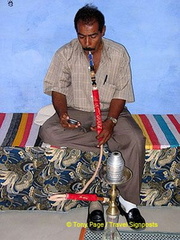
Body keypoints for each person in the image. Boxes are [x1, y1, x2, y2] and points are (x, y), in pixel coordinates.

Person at [39, 4, 146, 230]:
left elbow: (121, 93)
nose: (87, 42)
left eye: (93, 36)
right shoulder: (65, 53)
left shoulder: (118, 53)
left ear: (103, 31)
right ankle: (107, 141)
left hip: (111, 111)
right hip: (77, 110)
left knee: (135, 139)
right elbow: (57, 89)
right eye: (82, 36)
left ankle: (129, 203)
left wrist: (112, 122)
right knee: (48, 132)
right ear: (77, 33)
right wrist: (63, 114)